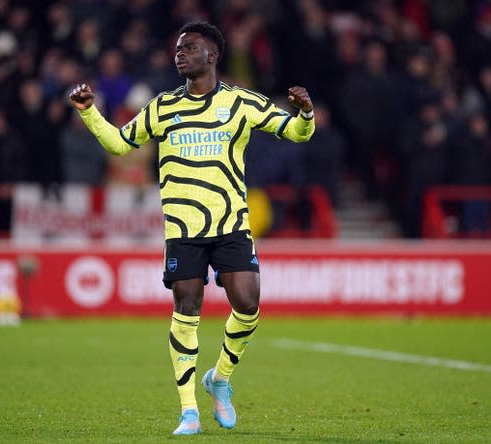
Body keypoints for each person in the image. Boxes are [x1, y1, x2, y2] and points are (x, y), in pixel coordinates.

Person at [69, 21, 314, 435]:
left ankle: (219, 378)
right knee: (186, 308)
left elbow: (296, 133)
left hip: (231, 223)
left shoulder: (241, 103)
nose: (180, 53)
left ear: (212, 56)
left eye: (190, 47)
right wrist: (90, 112)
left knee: (249, 303)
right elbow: (119, 143)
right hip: (184, 229)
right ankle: (188, 411)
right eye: (178, 48)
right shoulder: (163, 107)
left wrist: (306, 113)